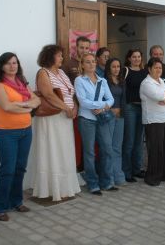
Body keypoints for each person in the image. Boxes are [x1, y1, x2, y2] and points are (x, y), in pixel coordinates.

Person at [0, 52, 41, 221]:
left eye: (15, 63)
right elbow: (6, 106)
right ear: (2, 66)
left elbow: (37, 101)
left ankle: (16, 201)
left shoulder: (21, 83)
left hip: (25, 131)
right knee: (7, 170)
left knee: (20, 168)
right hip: (6, 133)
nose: (13, 66)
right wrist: (27, 107)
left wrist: (21, 104)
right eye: (9, 63)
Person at [31, 45, 81, 201]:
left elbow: (70, 93)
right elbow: (48, 94)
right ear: (50, 57)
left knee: (64, 151)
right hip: (51, 118)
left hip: (64, 117)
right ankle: (52, 189)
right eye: (59, 56)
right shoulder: (43, 72)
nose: (62, 58)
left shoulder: (61, 73)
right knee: (52, 150)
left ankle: (65, 188)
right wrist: (66, 108)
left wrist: (75, 108)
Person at [75, 53, 117, 195]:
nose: (91, 64)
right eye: (88, 62)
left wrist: (103, 107)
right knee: (90, 153)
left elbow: (111, 100)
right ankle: (93, 184)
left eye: (93, 61)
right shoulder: (79, 80)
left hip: (102, 118)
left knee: (107, 149)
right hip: (86, 120)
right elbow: (82, 101)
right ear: (82, 64)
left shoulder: (102, 81)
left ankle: (106, 182)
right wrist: (101, 105)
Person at [140, 58, 165, 186]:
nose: (158, 70)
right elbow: (158, 96)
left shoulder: (164, 81)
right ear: (149, 69)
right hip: (154, 120)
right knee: (156, 149)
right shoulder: (146, 83)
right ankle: (153, 177)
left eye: (160, 68)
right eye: (155, 67)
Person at [62, 36, 90, 172]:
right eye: (81, 47)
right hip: (75, 108)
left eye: (87, 48)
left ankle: (87, 169)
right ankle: (76, 169)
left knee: (89, 140)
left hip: (90, 109)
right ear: (76, 48)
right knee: (76, 140)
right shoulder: (68, 64)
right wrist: (73, 104)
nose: (84, 50)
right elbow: (64, 88)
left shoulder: (91, 63)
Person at [122, 49, 148, 182]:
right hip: (130, 107)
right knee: (129, 141)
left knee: (139, 140)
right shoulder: (125, 71)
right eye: (134, 57)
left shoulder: (145, 72)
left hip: (142, 107)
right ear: (129, 58)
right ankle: (127, 172)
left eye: (138, 56)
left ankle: (137, 169)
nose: (136, 59)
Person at [105, 57, 127, 185]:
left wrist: (121, 111)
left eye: (118, 66)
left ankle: (118, 176)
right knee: (108, 148)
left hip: (120, 117)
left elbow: (124, 99)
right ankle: (109, 177)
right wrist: (110, 110)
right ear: (109, 68)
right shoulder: (104, 81)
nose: (116, 69)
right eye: (113, 66)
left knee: (117, 147)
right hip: (108, 116)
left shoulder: (122, 81)